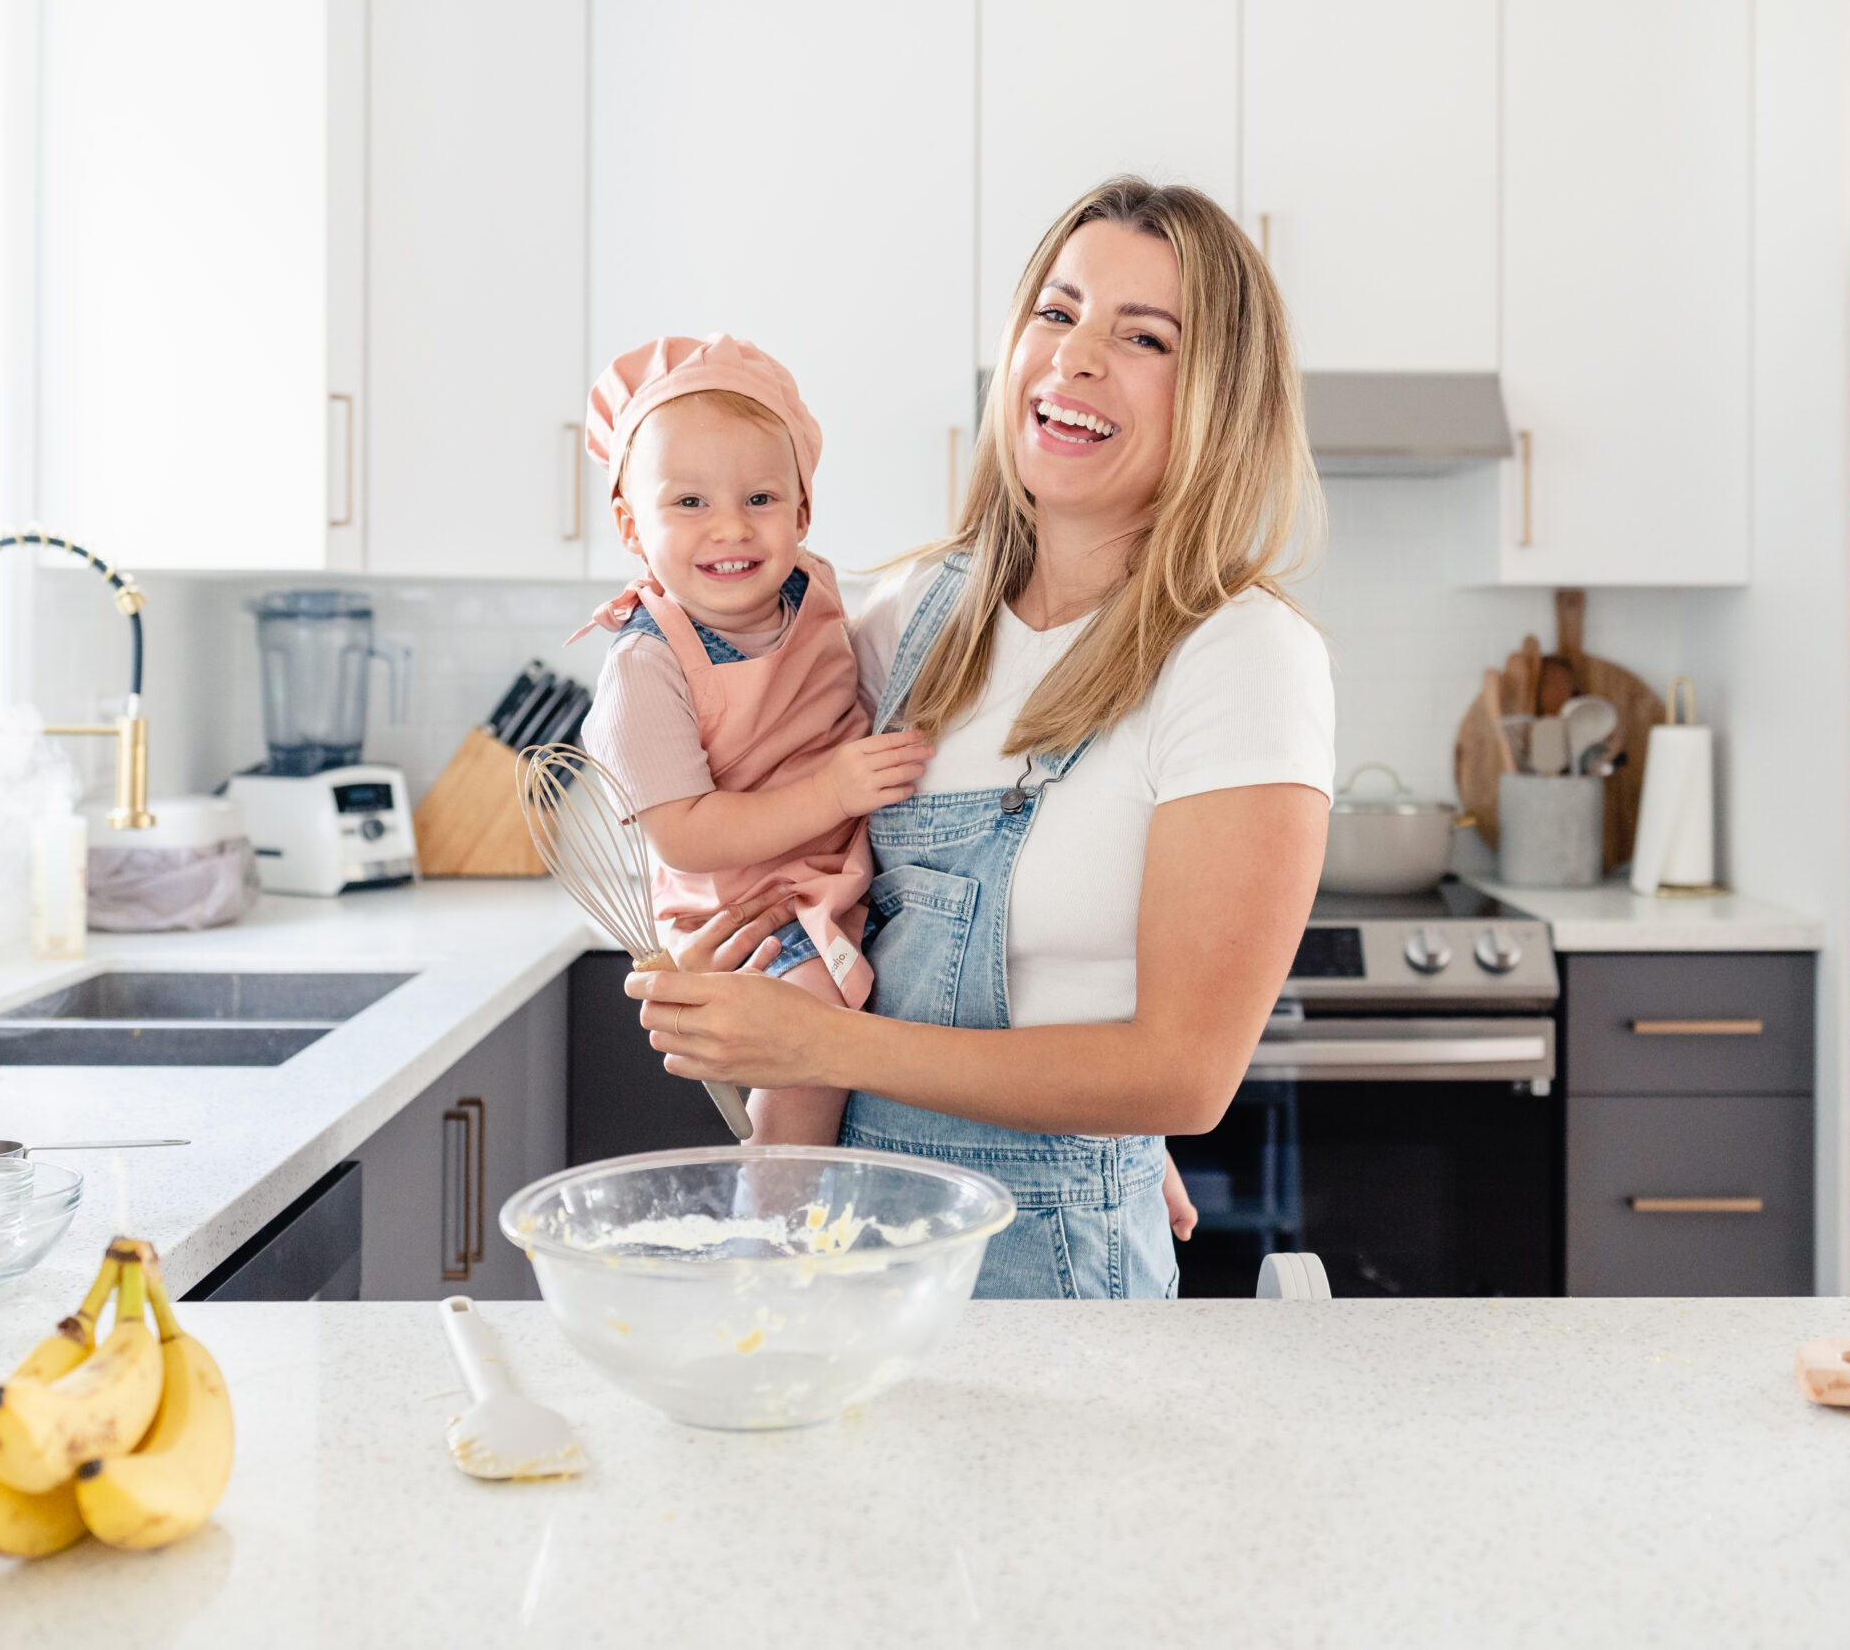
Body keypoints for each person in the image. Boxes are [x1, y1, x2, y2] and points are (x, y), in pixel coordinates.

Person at [630, 178, 1334, 1297]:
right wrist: (728, 954)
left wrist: (819, 1047)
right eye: (1055, 314)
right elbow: (712, 764)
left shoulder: (1239, 658)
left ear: (1217, 396)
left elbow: (1183, 1076)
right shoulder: (909, 619)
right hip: (850, 1248)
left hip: (1047, 1270)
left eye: (1141, 336)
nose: (1076, 357)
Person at [571, 334, 927, 1145]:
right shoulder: (646, 664)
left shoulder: (825, 596)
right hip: (749, 908)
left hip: (849, 875)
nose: (730, 528)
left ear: (803, 514)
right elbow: (687, 835)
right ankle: (775, 1233)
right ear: (632, 526)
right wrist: (834, 792)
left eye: (760, 500)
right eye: (689, 503)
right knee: (809, 1041)